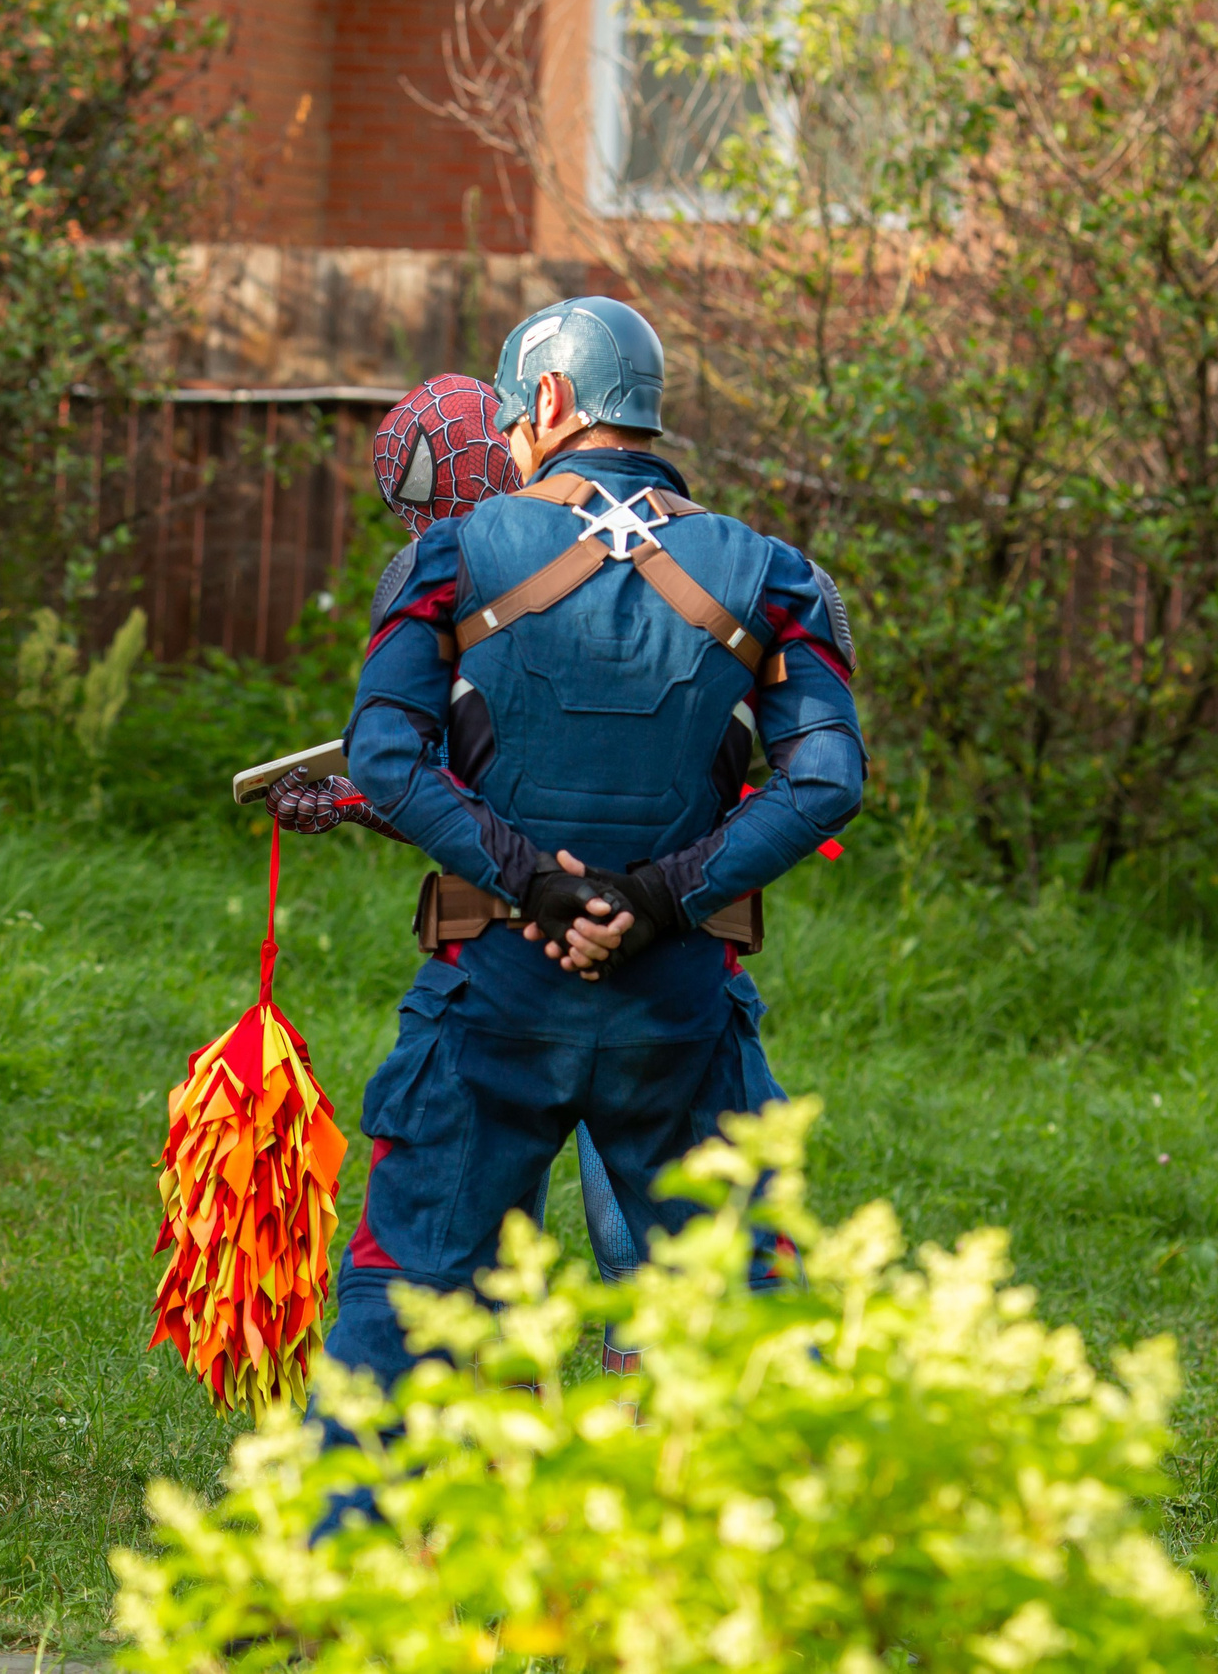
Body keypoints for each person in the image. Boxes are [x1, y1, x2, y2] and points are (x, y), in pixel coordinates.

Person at [324, 295, 866, 1395]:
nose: (514, 443)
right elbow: (823, 779)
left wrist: (533, 886)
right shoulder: (776, 576)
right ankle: (730, 1547)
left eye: (518, 417)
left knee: (413, 1294)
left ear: (555, 402)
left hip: (489, 994)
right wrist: (656, 899)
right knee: (736, 1313)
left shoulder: (450, 555)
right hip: (678, 1006)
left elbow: (387, 759)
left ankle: (387, 1546)